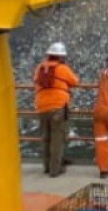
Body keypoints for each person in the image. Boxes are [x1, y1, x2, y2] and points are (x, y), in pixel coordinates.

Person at [33, 42, 79, 177]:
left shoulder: (40, 68)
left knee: (46, 138)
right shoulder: (62, 68)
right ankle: (55, 170)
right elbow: (75, 81)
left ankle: (47, 167)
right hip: (58, 106)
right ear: (60, 57)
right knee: (57, 139)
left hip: (41, 106)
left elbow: (35, 81)